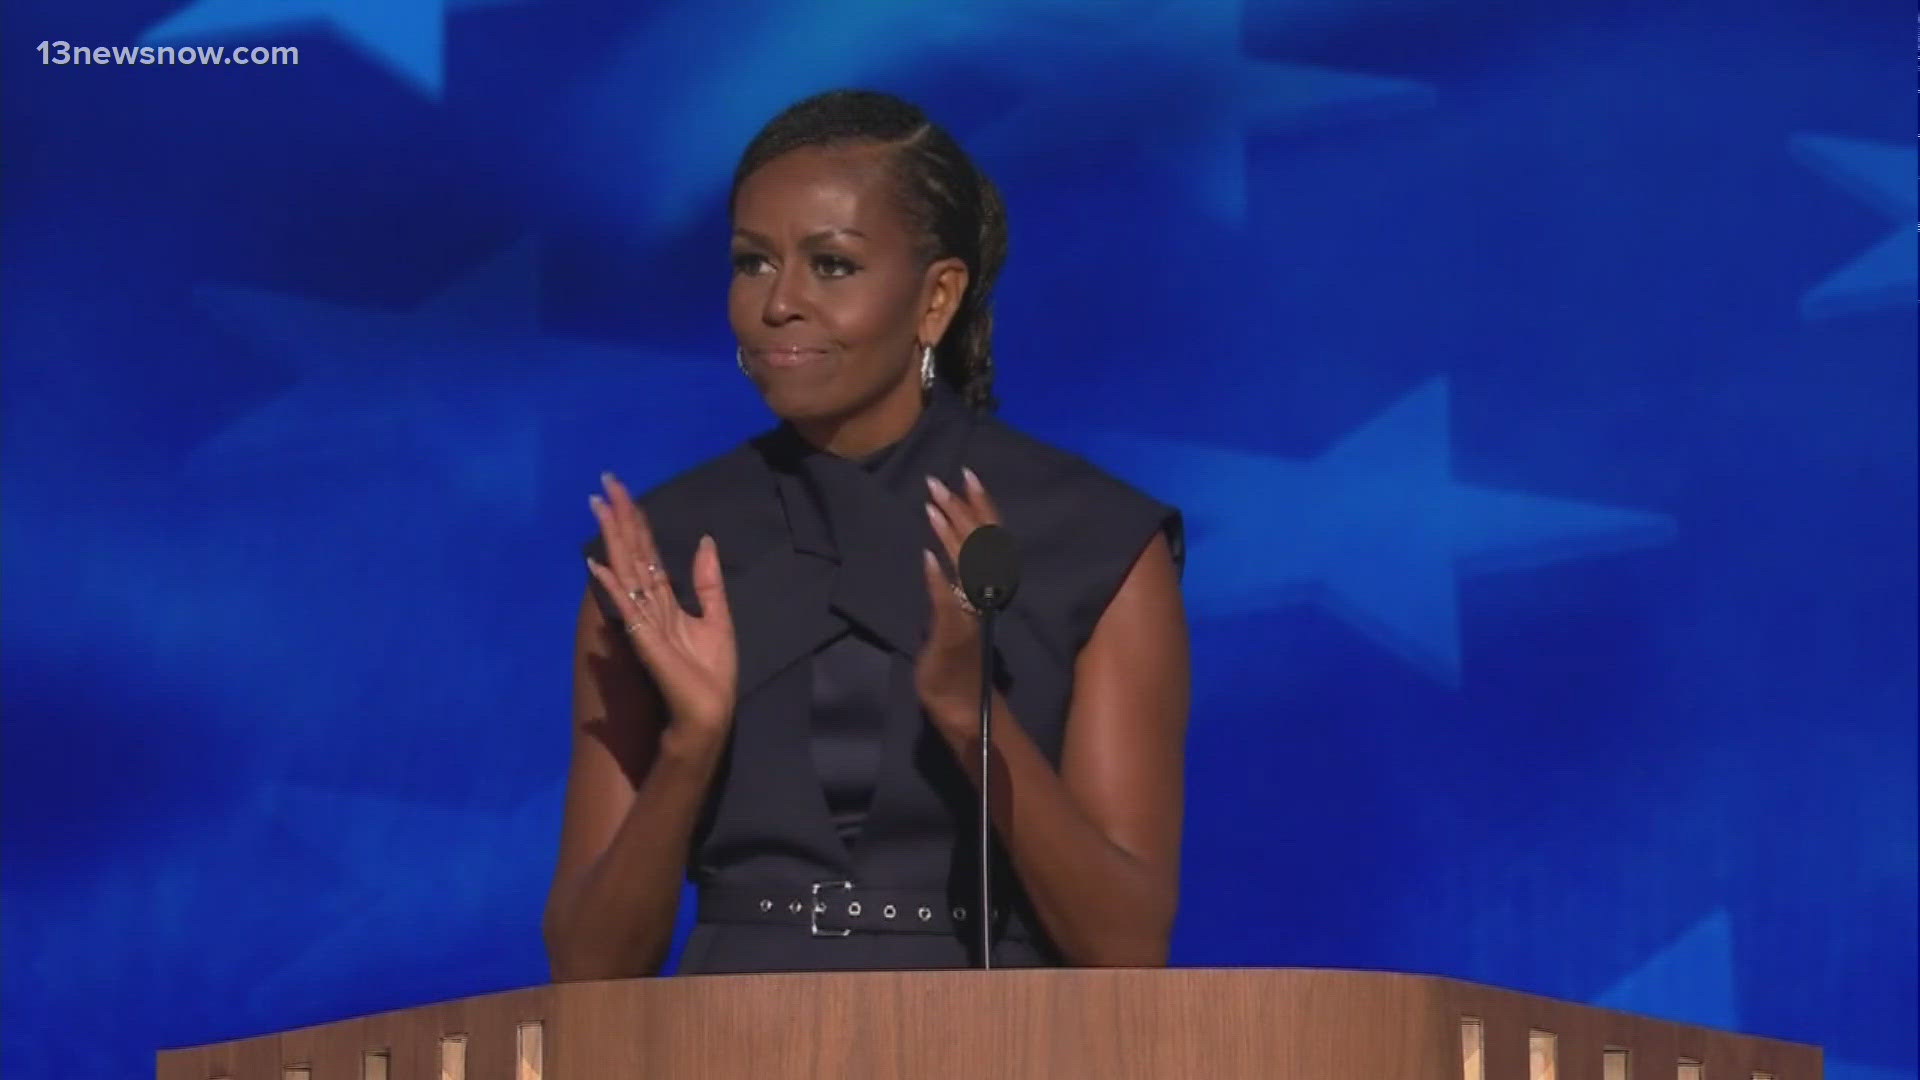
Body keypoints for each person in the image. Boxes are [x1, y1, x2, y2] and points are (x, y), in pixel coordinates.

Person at [542, 89, 1189, 978]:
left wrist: (972, 715)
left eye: (832, 266)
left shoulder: (1093, 541)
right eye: (752, 262)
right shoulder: (658, 552)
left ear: (937, 298)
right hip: (722, 1048)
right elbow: (587, 969)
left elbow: (1127, 945)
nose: (779, 305)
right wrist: (689, 747)